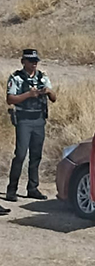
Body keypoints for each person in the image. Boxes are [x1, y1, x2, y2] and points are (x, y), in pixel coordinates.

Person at [5, 49, 57, 202]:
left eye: (36, 61)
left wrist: (47, 91)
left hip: (39, 119)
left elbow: (54, 98)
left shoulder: (42, 77)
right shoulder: (16, 78)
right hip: (24, 120)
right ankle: (12, 189)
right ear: (23, 62)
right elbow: (10, 99)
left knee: (36, 155)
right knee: (20, 154)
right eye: (31, 61)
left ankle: (32, 188)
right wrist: (28, 94)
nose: (34, 64)